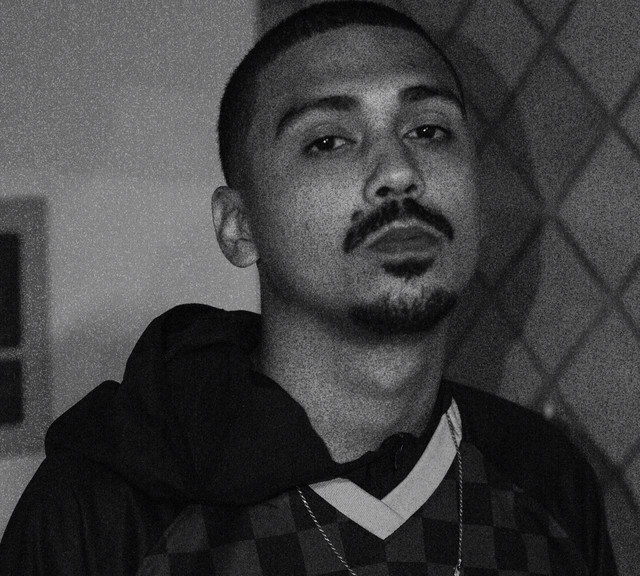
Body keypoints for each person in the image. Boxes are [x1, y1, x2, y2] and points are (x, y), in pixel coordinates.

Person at [0, 2, 618, 574]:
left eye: (429, 130)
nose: (399, 171)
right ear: (240, 227)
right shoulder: (102, 514)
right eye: (328, 141)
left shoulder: (545, 478)